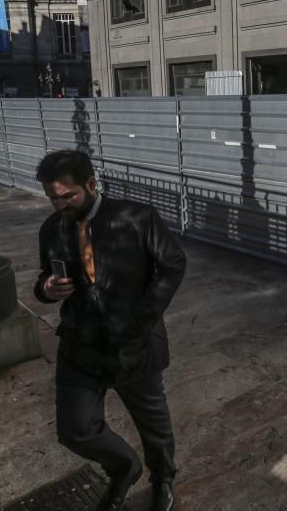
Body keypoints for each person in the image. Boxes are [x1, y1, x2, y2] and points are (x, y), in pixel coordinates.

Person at [33, 150, 186, 511]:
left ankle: (163, 478)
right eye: (52, 198)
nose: (59, 205)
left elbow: (173, 264)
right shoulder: (51, 228)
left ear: (90, 184)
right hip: (79, 345)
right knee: (75, 429)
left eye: (67, 196)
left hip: (134, 345)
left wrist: (141, 320)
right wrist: (46, 289)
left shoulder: (137, 217)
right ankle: (124, 467)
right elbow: (44, 276)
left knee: (153, 423)